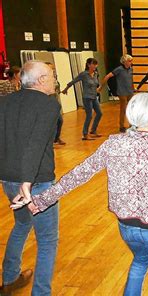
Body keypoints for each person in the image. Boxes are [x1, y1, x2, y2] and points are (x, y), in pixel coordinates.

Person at [11, 93, 148, 295]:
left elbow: (80, 173)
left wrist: (41, 200)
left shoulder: (114, 142)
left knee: (141, 260)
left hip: (126, 227)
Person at [0, 60, 61, 295]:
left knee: (22, 224)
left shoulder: (5, 102)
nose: (55, 79)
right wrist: (27, 181)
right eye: (51, 75)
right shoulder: (49, 105)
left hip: (9, 179)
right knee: (47, 240)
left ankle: (9, 278)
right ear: (41, 80)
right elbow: (36, 144)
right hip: (36, 182)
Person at [63, 58, 102, 140]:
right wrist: (66, 89)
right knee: (89, 115)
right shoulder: (84, 74)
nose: (95, 66)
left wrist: (98, 89)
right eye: (93, 64)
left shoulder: (95, 74)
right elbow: (74, 81)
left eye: (96, 64)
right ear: (88, 65)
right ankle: (85, 134)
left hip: (94, 97)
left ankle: (93, 131)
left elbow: (96, 84)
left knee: (99, 113)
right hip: (87, 97)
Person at [100, 54, 134, 133]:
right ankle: (121, 126)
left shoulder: (131, 69)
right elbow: (108, 76)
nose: (131, 63)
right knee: (123, 109)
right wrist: (101, 86)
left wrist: (133, 88)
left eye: (131, 61)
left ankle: (132, 124)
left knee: (132, 108)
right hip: (122, 92)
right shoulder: (119, 69)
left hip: (130, 91)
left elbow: (131, 79)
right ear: (124, 62)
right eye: (129, 61)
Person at [45, 62, 66, 146]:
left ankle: (56, 138)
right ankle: (50, 141)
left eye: (52, 68)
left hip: (55, 101)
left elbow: (56, 88)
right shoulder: (44, 79)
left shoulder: (54, 77)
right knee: (52, 122)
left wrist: (61, 91)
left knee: (59, 121)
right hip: (48, 102)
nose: (52, 69)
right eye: (50, 68)